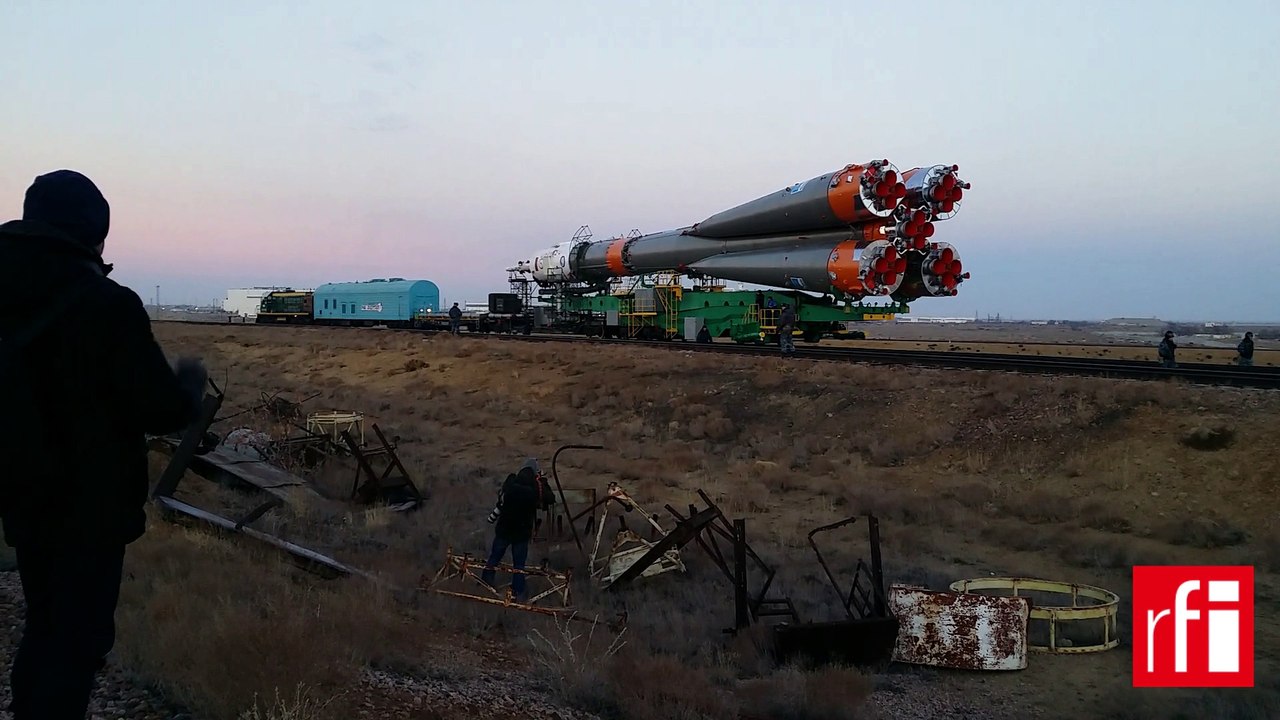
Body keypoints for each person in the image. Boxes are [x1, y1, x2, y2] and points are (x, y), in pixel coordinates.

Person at [0, 170, 207, 720]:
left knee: (43, 624)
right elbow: (160, 408)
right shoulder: (107, 304)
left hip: (20, 494)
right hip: (89, 509)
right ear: (94, 232)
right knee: (76, 642)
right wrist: (189, 384)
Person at [481, 460, 541, 601]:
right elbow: (547, 499)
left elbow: (501, 502)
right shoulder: (534, 489)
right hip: (521, 532)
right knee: (518, 565)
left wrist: (492, 518)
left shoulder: (511, 483)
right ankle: (518, 592)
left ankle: (484, 584)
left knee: (494, 558)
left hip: (504, 529)